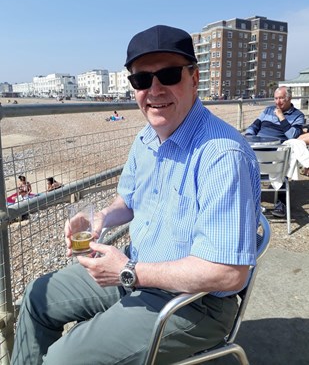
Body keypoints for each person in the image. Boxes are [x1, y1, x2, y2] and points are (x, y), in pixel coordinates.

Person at [12, 25, 261, 365]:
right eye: (142, 80)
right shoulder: (146, 138)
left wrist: (130, 271)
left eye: (168, 74)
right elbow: (128, 201)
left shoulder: (222, 155)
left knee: (62, 360)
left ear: (194, 78)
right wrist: (103, 218)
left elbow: (228, 273)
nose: (154, 89)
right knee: (36, 298)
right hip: (137, 271)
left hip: (193, 303)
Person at [245, 86, 305, 217]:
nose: (277, 102)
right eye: (276, 98)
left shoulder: (298, 116)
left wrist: (281, 117)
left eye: (281, 98)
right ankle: (250, 202)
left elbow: (292, 135)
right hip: (257, 149)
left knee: (282, 158)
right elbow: (254, 126)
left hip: (276, 153)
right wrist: (249, 137)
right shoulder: (267, 110)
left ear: (289, 99)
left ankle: (281, 204)